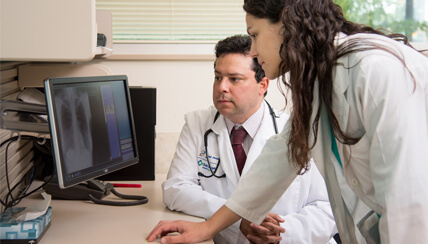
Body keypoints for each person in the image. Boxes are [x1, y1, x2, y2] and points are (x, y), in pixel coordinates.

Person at [147, 0, 428, 243]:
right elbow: (278, 160)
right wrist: (208, 227)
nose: (254, 51)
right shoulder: (321, 79)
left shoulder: (374, 71)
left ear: (287, 24)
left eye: (254, 35)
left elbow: (409, 201)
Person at [162, 34, 337, 244]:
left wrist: (283, 231)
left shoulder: (298, 131)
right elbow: (176, 189)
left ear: (262, 85)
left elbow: (327, 208)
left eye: (234, 79)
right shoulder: (197, 124)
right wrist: (237, 217)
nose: (222, 87)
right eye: (218, 77)